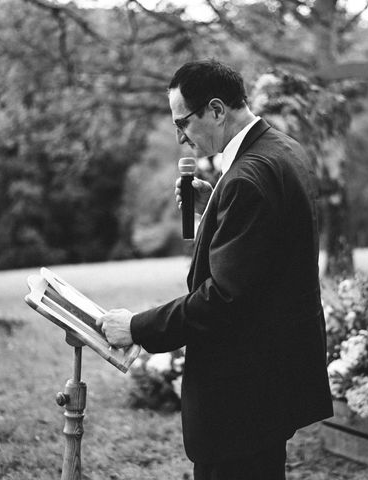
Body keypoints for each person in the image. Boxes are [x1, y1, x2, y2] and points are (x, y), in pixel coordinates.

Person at [97, 60, 333, 479]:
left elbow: (224, 298)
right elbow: (266, 249)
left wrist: (137, 327)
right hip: (271, 379)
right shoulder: (281, 149)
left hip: (243, 392)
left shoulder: (248, 176)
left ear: (218, 110)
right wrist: (214, 208)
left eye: (183, 122)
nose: (180, 136)